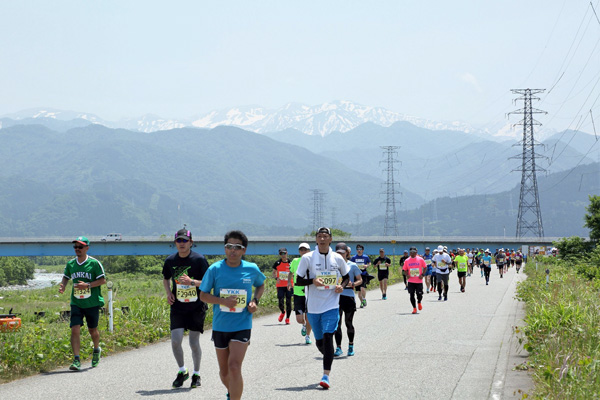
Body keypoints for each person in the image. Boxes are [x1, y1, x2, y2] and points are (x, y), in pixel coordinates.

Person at [199, 230, 266, 400]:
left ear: (244, 250)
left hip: (242, 325)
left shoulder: (251, 269)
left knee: (234, 366)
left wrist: (255, 301)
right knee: (224, 372)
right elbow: (203, 295)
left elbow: (261, 285)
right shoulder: (215, 269)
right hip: (220, 325)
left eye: (237, 247)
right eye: (229, 246)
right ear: (225, 248)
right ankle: (233, 392)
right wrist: (222, 301)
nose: (233, 250)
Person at [295, 227, 350, 389]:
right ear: (316, 240)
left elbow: (346, 278)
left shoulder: (338, 258)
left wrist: (342, 286)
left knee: (328, 337)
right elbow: (298, 281)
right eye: (320, 236)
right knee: (320, 343)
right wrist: (312, 281)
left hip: (332, 305)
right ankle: (328, 355)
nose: (323, 239)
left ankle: (325, 376)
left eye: (326, 236)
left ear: (330, 239)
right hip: (313, 308)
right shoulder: (307, 258)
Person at [162, 228, 209, 388]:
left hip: (196, 306)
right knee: (175, 341)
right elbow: (166, 278)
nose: (181, 244)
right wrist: (169, 293)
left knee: (194, 343)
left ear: (191, 242)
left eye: (184, 240)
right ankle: (182, 371)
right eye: (178, 241)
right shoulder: (170, 261)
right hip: (178, 306)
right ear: (175, 243)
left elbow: (209, 283)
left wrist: (192, 282)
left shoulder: (199, 260)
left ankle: (196, 374)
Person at [58, 236, 106, 371]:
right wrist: (63, 286)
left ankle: (96, 349)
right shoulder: (71, 264)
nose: (77, 249)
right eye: (75, 247)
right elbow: (66, 277)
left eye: (80, 247)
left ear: (87, 248)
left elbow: (102, 280)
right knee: (75, 329)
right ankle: (76, 359)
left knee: (92, 330)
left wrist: (88, 285)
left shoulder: (94, 263)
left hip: (92, 302)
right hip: (76, 302)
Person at [334, 243, 362, 357]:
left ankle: (350, 346)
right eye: (338, 253)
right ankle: (338, 348)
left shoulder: (352, 265)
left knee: (348, 322)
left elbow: (360, 280)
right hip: (336, 297)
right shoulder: (332, 265)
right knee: (337, 323)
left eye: (342, 252)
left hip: (349, 297)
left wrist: (353, 284)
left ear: (347, 253)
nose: (340, 255)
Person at [288, 242, 313, 344]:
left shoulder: (313, 261)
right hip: (298, 293)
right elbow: (290, 273)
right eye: (301, 250)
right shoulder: (295, 261)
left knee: (308, 317)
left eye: (305, 250)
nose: (303, 252)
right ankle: (303, 325)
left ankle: (307, 336)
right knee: (299, 319)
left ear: (309, 251)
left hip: (309, 292)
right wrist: (289, 283)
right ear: (299, 251)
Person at [402, 247, 427, 314]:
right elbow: (405, 269)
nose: (412, 253)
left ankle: (419, 302)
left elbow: (425, 267)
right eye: (411, 252)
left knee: (419, 294)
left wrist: (422, 274)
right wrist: (407, 275)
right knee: (411, 295)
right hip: (411, 281)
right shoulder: (407, 260)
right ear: (410, 252)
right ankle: (414, 308)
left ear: (416, 252)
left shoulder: (420, 259)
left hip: (419, 281)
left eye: (414, 252)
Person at [272, 247, 293, 324]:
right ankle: (282, 312)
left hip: (289, 285)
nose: (283, 255)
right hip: (280, 285)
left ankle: (287, 318)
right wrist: (276, 278)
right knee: (280, 300)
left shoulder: (291, 262)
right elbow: (273, 273)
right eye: (281, 253)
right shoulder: (277, 263)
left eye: (284, 253)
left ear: (287, 253)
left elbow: (295, 271)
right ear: (280, 254)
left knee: (288, 302)